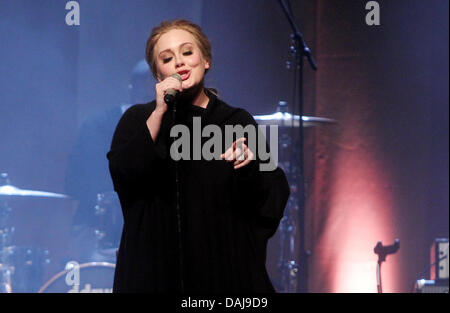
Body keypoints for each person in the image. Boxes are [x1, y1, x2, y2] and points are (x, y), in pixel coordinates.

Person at [107, 19, 290, 293]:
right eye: (167, 58)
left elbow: (272, 198)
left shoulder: (234, 121)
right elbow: (124, 174)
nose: (179, 62)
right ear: (158, 75)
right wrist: (159, 113)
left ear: (205, 61)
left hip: (221, 273)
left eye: (188, 52)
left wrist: (250, 165)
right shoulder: (138, 119)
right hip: (154, 271)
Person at [65, 60, 152, 263]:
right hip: (97, 228)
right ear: (132, 89)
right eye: (146, 95)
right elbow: (75, 183)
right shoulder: (97, 127)